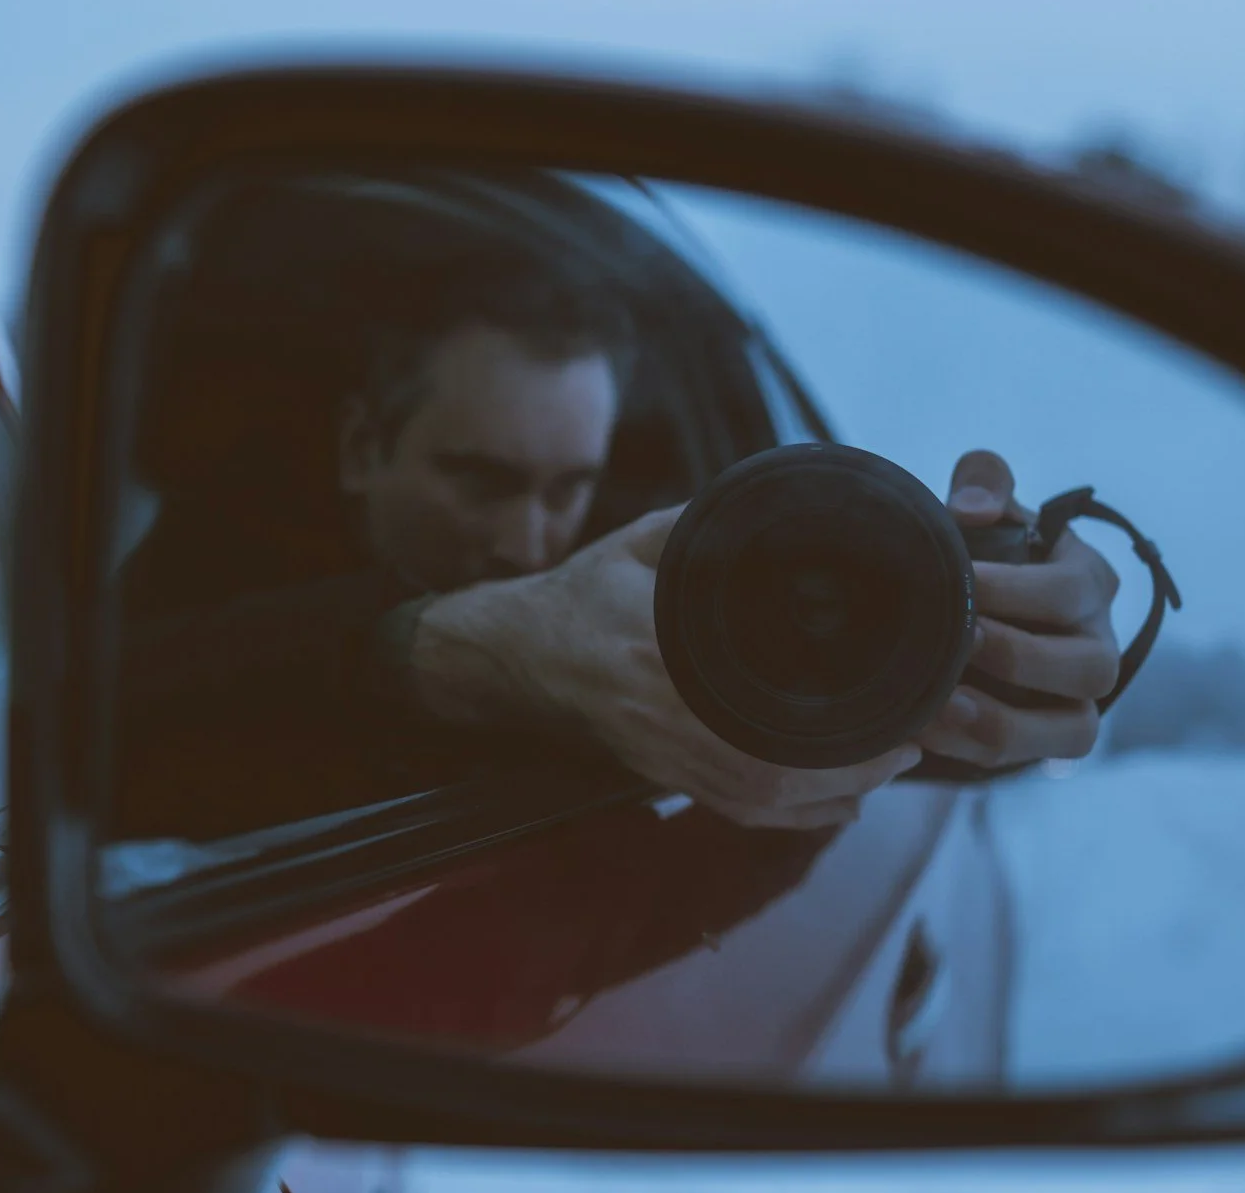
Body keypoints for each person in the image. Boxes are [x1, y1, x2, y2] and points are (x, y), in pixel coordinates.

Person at [111, 171, 1124, 840]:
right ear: (363, 446)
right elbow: (126, 701)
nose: (526, 537)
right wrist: (450, 648)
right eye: (480, 477)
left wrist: (1002, 633)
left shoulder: (675, 615)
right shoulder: (186, 583)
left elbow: (869, 722)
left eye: (569, 486)